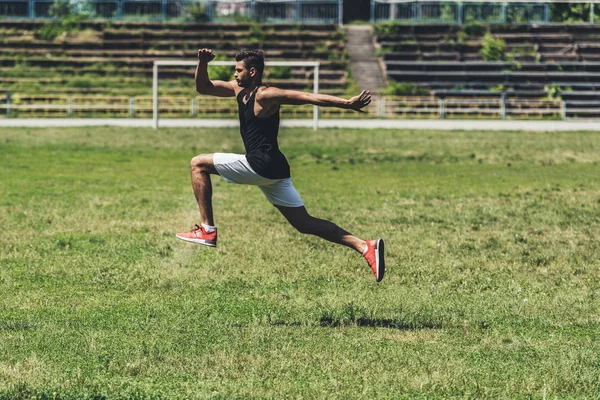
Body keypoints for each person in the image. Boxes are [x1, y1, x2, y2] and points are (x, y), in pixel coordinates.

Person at [176, 48, 385, 282]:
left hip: (259, 164)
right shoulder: (238, 90)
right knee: (304, 223)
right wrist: (202, 63)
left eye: (238, 70)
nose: (234, 75)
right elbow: (203, 87)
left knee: (198, 164)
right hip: (275, 169)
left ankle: (207, 230)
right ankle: (366, 246)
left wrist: (347, 103)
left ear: (252, 72)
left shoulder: (267, 95)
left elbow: (307, 97)